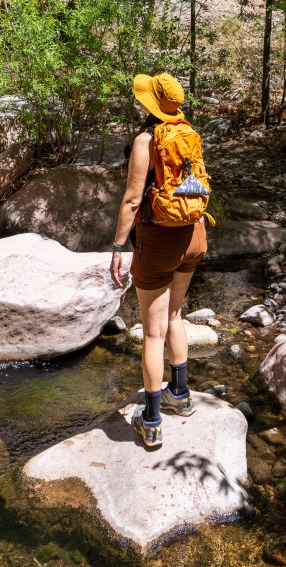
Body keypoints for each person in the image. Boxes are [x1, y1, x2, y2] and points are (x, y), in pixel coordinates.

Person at [110, 72, 207, 450]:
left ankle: (150, 420)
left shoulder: (146, 140)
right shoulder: (188, 132)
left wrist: (120, 248)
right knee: (174, 316)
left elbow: (133, 200)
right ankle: (180, 397)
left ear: (147, 105)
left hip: (159, 241)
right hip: (194, 234)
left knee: (152, 333)